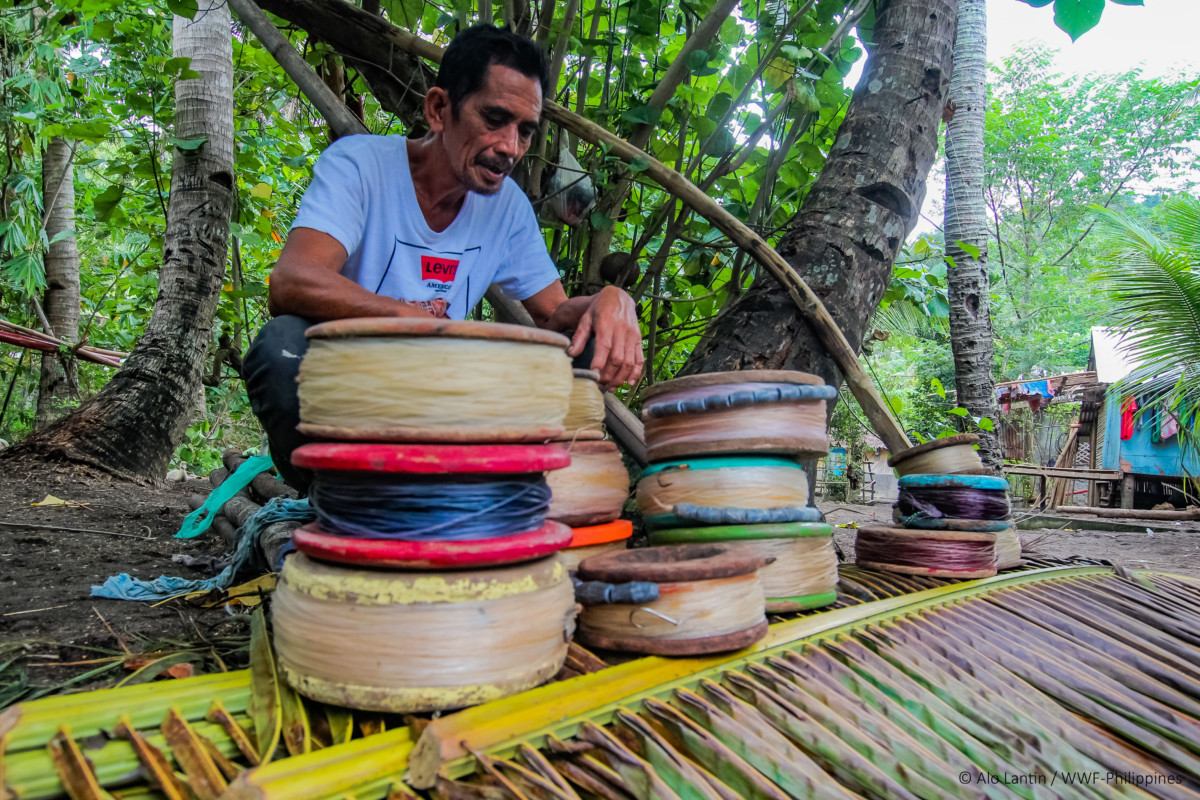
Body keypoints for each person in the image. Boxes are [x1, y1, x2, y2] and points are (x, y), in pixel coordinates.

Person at [242, 24, 643, 491]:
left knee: (588, 342)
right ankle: (341, 502)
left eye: (525, 131)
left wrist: (612, 300)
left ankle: (501, 496)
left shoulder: (508, 206)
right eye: (494, 119)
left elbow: (556, 318)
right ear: (438, 109)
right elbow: (292, 280)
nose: (510, 147)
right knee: (280, 344)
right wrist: (407, 319)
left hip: (448, 403)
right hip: (353, 399)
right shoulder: (360, 165)